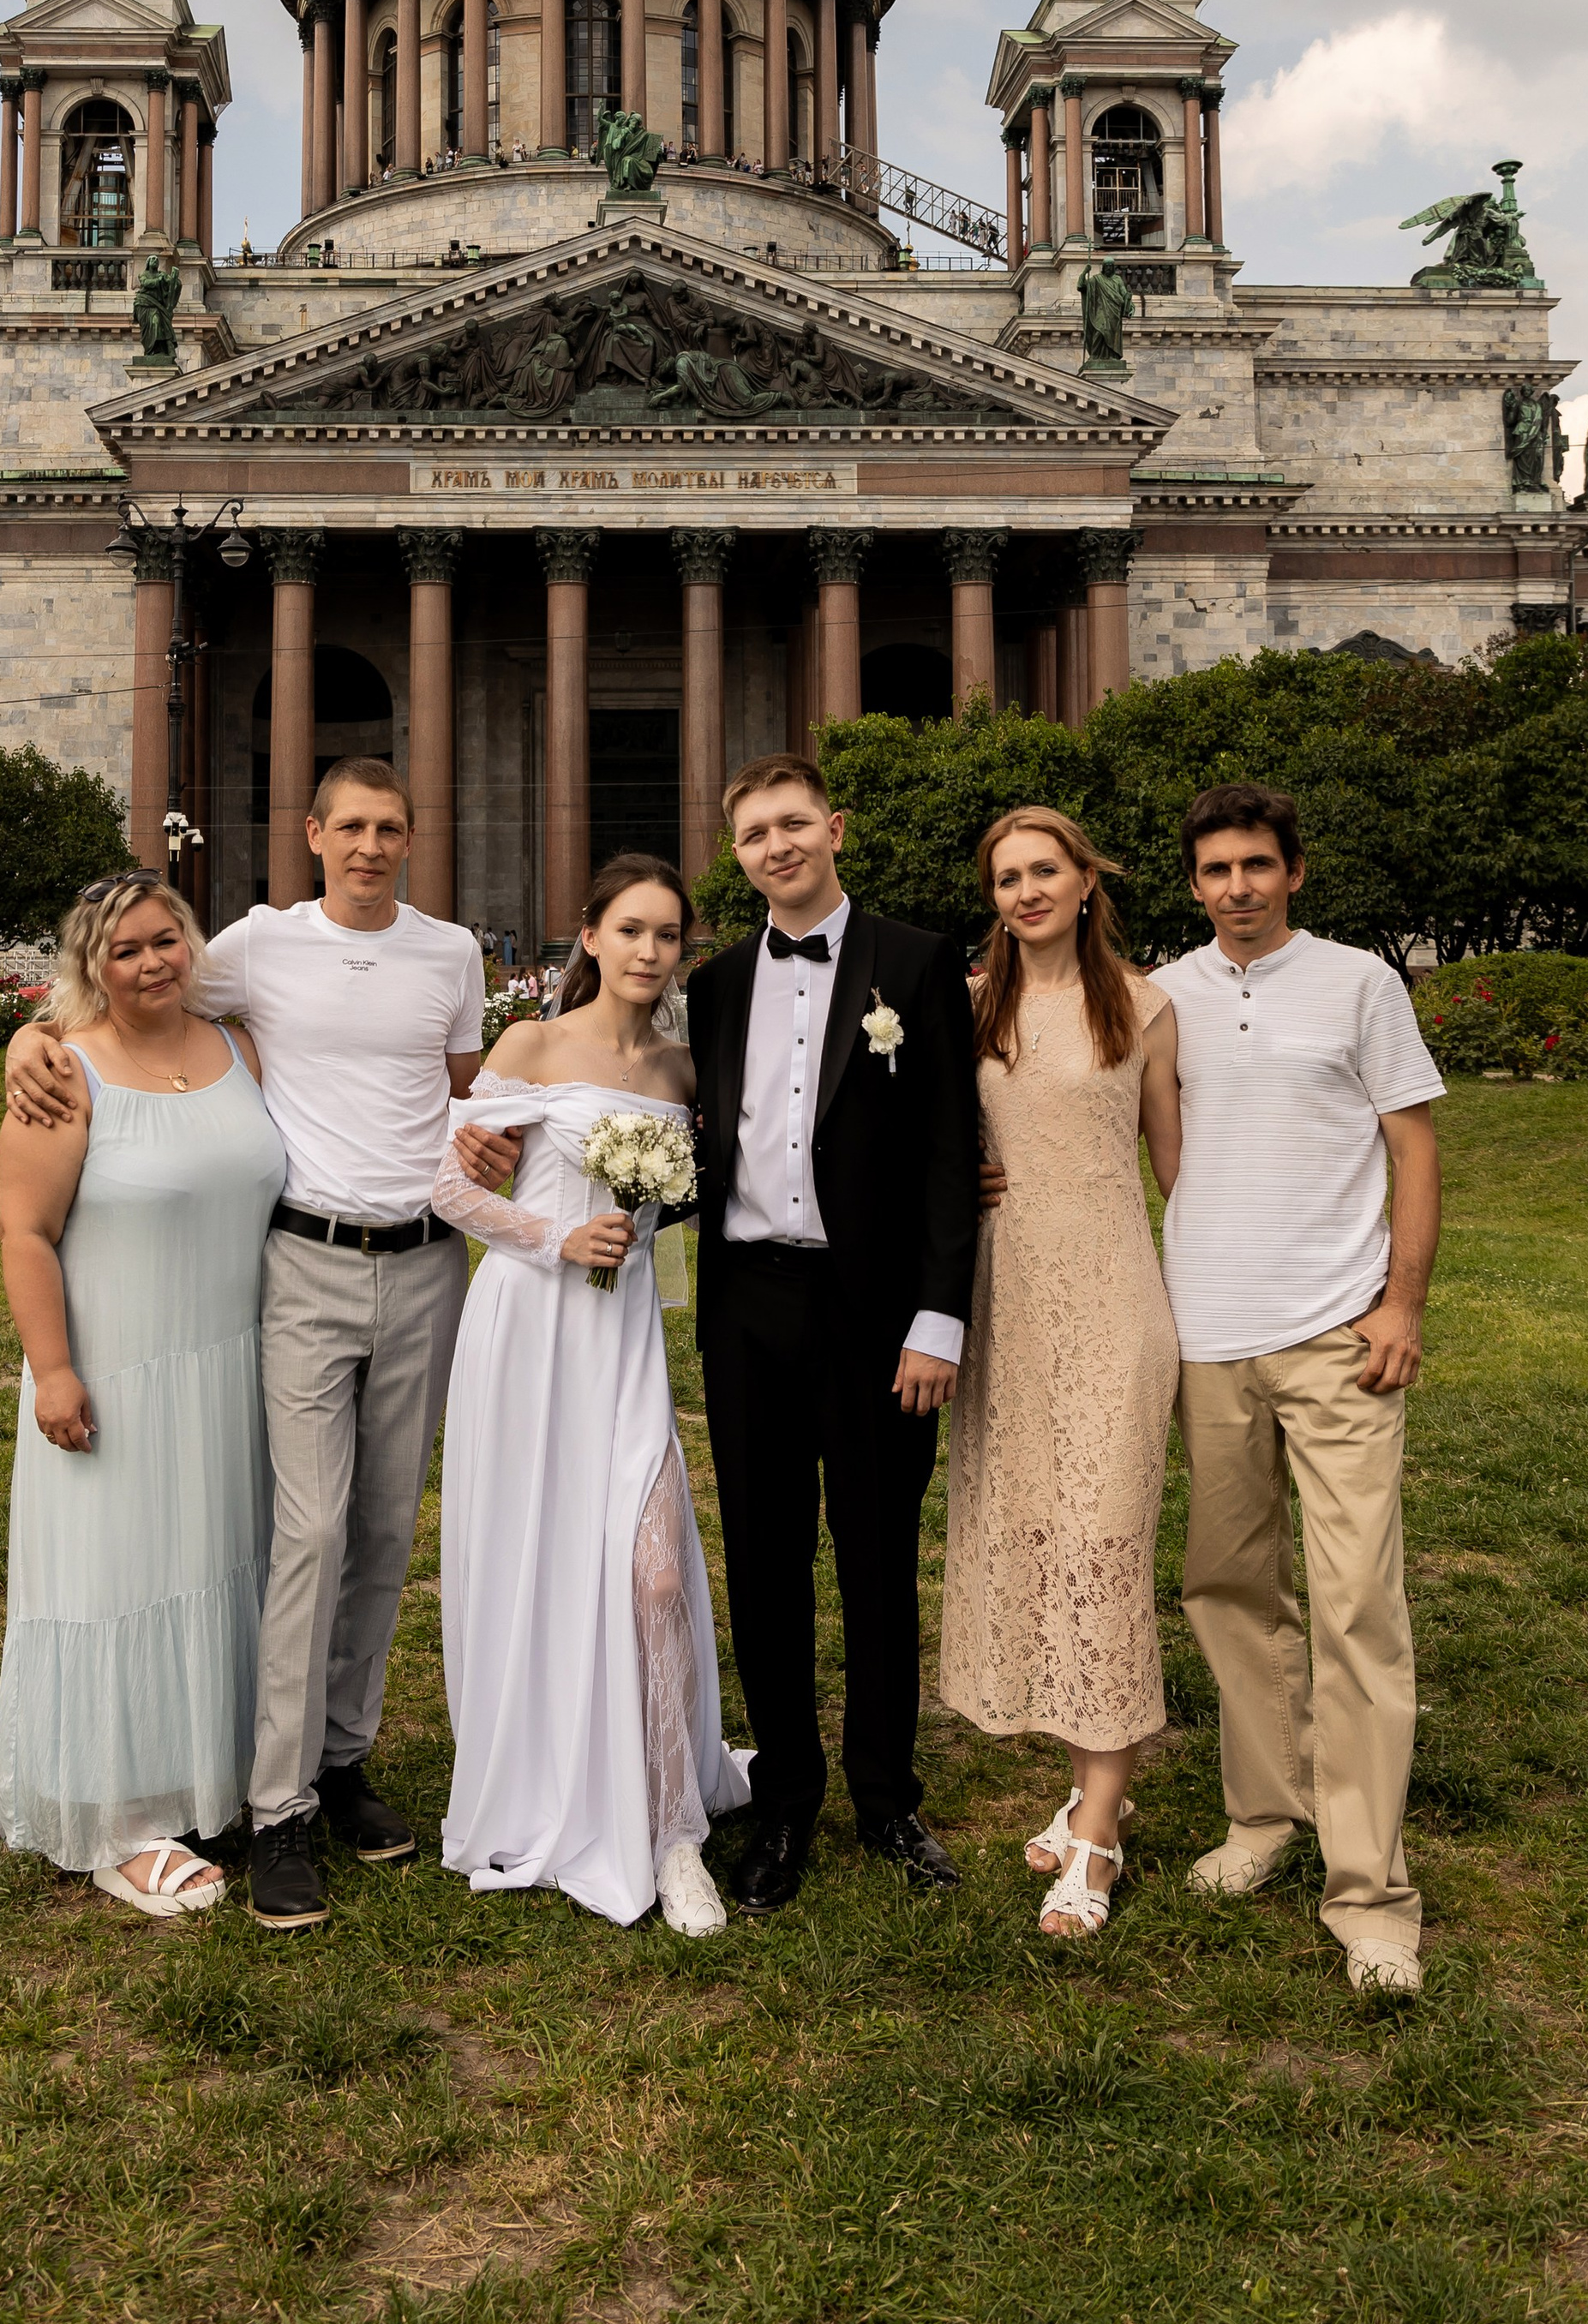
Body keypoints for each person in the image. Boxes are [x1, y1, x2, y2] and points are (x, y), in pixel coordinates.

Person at [5, 759, 484, 1931]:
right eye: (350, 826)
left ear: (413, 838)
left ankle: (341, 1757)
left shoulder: (452, 954)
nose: (370, 845)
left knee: (377, 1532)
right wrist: (25, 1035)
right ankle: (278, 1810)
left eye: (390, 827)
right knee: (308, 1530)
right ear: (313, 833)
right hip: (301, 1271)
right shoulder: (262, 944)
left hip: (419, 1267)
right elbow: (105, 990)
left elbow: (472, 1092)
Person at [1162, 783, 1444, 1996]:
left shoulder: (1359, 984)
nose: (1239, 886)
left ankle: (1372, 1889)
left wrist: (1403, 1303)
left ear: (1296, 870)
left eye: (1258, 865)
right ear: (1194, 884)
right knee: (1230, 1587)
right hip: (1208, 1335)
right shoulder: (1164, 992)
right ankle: (1264, 1819)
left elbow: (1415, 1144)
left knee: (1356, 1604)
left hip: (1339, 1332)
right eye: (1218, 869)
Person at [433, 855, 749, 1932]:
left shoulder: (680, 1070)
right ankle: (545, 1776)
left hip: (621, 1344)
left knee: (654, 1575)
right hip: (527, 1332)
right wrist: (557, 1235)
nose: (649, 952)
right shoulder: (531, 1045)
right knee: (543, 1555)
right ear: (591, 934)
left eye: (668, 935)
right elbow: (448, 1187)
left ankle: (669, 1834)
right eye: (630, 930)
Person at [687, 755, 979, 1913]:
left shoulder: (916, 961)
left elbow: (953, 1149)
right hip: (749, 1304)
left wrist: (939, 1315)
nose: (777, 845)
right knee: (762, 1565)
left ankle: (887, 1794)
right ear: (741, 852)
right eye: (754, 832)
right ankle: (787, 1799)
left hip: (876, 1315)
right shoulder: (711, 985)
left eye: (794, 822)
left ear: (835, 827)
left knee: (874, 1560)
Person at [0, 873, 282, 1917]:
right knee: (118, 1579)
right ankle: (115, 1822)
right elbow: (24, 1231)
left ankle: (203, 1777)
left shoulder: (237, 1048)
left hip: (230, 1364)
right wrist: (54, 1369)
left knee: (211, 1566)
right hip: (113, 1369)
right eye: (125, 951)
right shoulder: (64, 1073)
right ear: (90, 968)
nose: (152, 962)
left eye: (167, 940)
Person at [938, 808, 1182, 1939]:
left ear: (1089, 879)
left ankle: (1097, 1832)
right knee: (1035, 1534)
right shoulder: (975, 1003)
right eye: (1006, 877)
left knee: (1103, 1542)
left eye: (1045, 871)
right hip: (1009, 1298)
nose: (1026, 890)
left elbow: (1178, 1166)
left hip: (1116, 1299)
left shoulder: (1143, 1004)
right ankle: (1096, 1780)